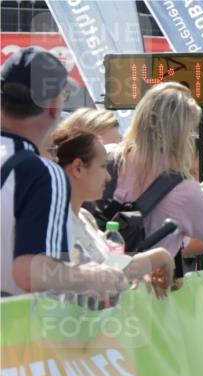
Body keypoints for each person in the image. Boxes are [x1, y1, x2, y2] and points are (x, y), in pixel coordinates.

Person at [1, 46, 126, 298]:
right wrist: (91, 275)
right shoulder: (42, 173)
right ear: (54, 107)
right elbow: (29, 273)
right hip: (17, 332)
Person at [113, 82, 203, 259]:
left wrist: (199, 192)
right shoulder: (184, 191)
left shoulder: (108, 159)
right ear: (182, 132)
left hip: (94, 278)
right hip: (146, 282)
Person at [52, 128, 175, 298]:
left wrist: (138, 271)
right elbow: (100, 279)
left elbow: (110, 267)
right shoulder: (55, 223)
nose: (108, 177)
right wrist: (156, 257)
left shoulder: (85, 217)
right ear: (78, 168)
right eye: (102, 166)